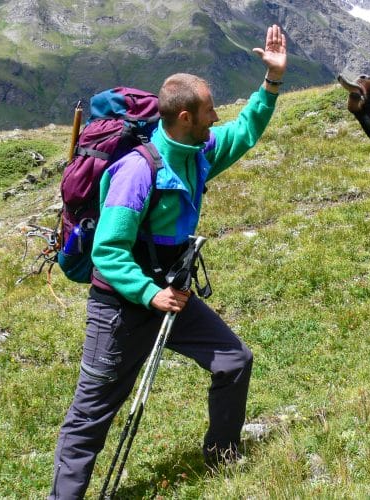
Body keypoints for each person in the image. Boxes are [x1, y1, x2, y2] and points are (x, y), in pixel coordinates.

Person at [49, 24, 287, 499]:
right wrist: (148, 294)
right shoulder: (138, 171)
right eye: (208, 110)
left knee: (233, 361)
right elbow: (109, 251)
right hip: (121, 305)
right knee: (92, 414)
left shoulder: (197, 153)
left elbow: (243, 132)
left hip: (171, 294)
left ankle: (222, 456)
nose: (216, 116)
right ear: (184, 116)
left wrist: (272, 82)